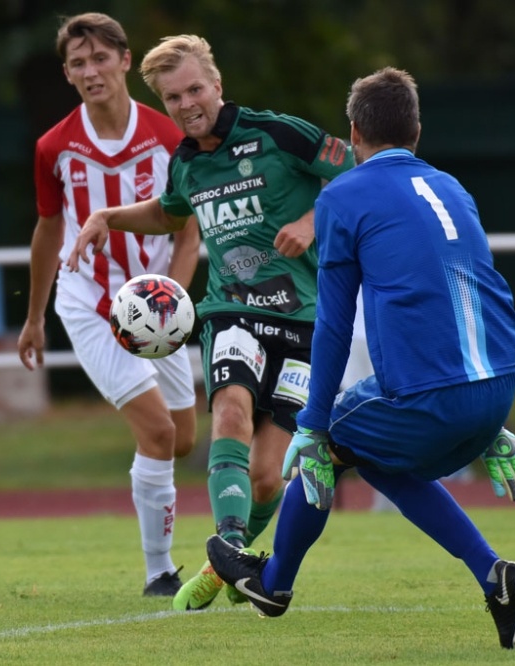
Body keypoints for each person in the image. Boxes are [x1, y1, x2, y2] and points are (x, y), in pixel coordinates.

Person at [205, 67, 515, 650]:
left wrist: (312, 424)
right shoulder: (451, 187)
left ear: (354, 133)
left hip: (431, 395)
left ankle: (273, 584)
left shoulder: (342, 195)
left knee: (330, 444)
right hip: (497, 383)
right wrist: (491, 420)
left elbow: (334, 323)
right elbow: (481, 292)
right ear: (417, 131)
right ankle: (494, 577)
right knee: (380, 458)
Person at [65, 34, 355, 611]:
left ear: (217, 85)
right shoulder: (186, 163)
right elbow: (168, 213)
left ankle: (222, 568)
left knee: (268, 477)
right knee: (230, 412)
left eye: (194, 89)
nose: (186, 104)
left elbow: (358, 169)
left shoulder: (278, 133)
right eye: (172, 98)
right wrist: (108, 216)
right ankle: (228, 543)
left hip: (303, 320)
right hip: (231, 312)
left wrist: (311, 222)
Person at [17, 13, 201, 598]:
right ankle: (159, 572)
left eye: (100, 58)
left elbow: (188, 233)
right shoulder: (54, 147)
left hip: (156, 308)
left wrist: (170, 301)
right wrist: (34, 317)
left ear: (125, 60)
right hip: (89, 304)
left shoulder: (169, 137)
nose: (91, 70)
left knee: (182, 438)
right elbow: (49, 229)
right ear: (67, 74)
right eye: (78, 63)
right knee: (158, 433)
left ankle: (154, 500)